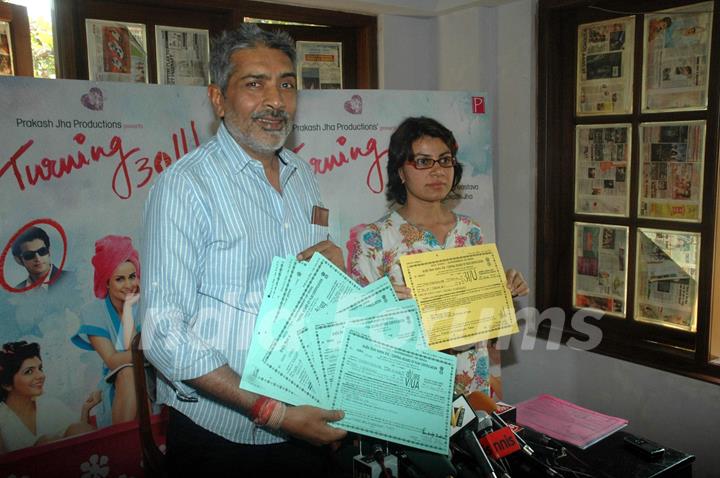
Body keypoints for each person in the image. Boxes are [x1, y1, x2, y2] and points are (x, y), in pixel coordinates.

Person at [139, 24, 346, 477]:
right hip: (221, 440)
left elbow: (308, 286)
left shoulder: (302, 176)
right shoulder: (185, 187)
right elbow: (162, 333)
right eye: (255, 84)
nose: (276, 101)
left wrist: (334, 276)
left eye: (287, 84)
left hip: (305, 421)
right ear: (218, 98)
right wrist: (272, 411)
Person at [347, 116, 529, 399]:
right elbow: (356, 330)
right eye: (422, 161)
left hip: (472, 383)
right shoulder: (376, 239)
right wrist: (383, 306)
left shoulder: (470, 231)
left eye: (445, 160)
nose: (437, 171)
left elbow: (487, 323)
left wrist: (503, 291)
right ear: (401, 171)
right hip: (410, 388)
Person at [71, 235, 140, 427]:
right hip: (120, 381)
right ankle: (120, 445)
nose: (128, 285)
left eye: (132, 276)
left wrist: (130, 310)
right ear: (106, 281)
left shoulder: (146, 304)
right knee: (128, 372)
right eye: (120, 279)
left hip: (153, 378)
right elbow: (113, 360)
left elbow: (134, 350)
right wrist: (128, 310)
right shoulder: (92, 312)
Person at [0, 341, 101, 453]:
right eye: (29, 371)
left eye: (40, 368)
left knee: (76, 430)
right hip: (22, 469)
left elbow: (79, 432)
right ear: (6, 384)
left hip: (66, 465)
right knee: (46, 442)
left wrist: (85, 410)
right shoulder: (2, 417)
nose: (41, 376)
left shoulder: (50, 405)